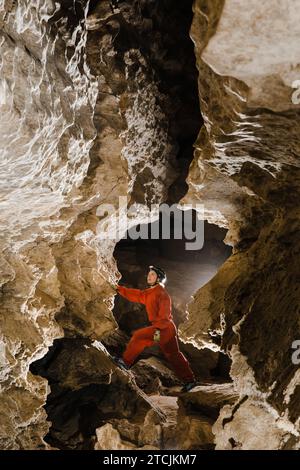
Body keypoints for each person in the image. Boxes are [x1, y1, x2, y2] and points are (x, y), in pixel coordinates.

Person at [111, 265, 197, 392]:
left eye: (152, 274)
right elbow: (137, 295)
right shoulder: (150, 293)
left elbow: (164, 316)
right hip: (166, 330)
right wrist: (119, 289)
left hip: (164, 329)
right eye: (149, 274)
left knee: (139, 336)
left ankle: (125, 362)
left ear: (159, 279)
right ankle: (190, 381)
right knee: (174, 355)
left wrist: (155, 334)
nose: (149, 276)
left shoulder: (162, 294)